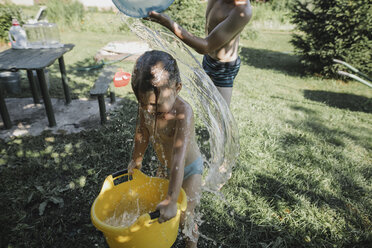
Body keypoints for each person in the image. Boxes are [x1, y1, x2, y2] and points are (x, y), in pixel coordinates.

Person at [127, 50, 203, 248]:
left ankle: (191, 245)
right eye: (144, 104)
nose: (149, 110)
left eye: (155, 105)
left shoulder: (183, 113)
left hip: (188, 170)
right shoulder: (147, 104)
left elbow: (179, 157)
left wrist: (172, 199)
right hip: (165, 166)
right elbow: (142, 131)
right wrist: (137, 158)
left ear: (177, 88)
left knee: (186, 214)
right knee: (157, 208)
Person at [147, 0, 252, 106]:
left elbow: (206, 46)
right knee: (205, 109)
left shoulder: (242, 11)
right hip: (208, 59)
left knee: (220, 118)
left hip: (223, 69)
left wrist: (169, 24)